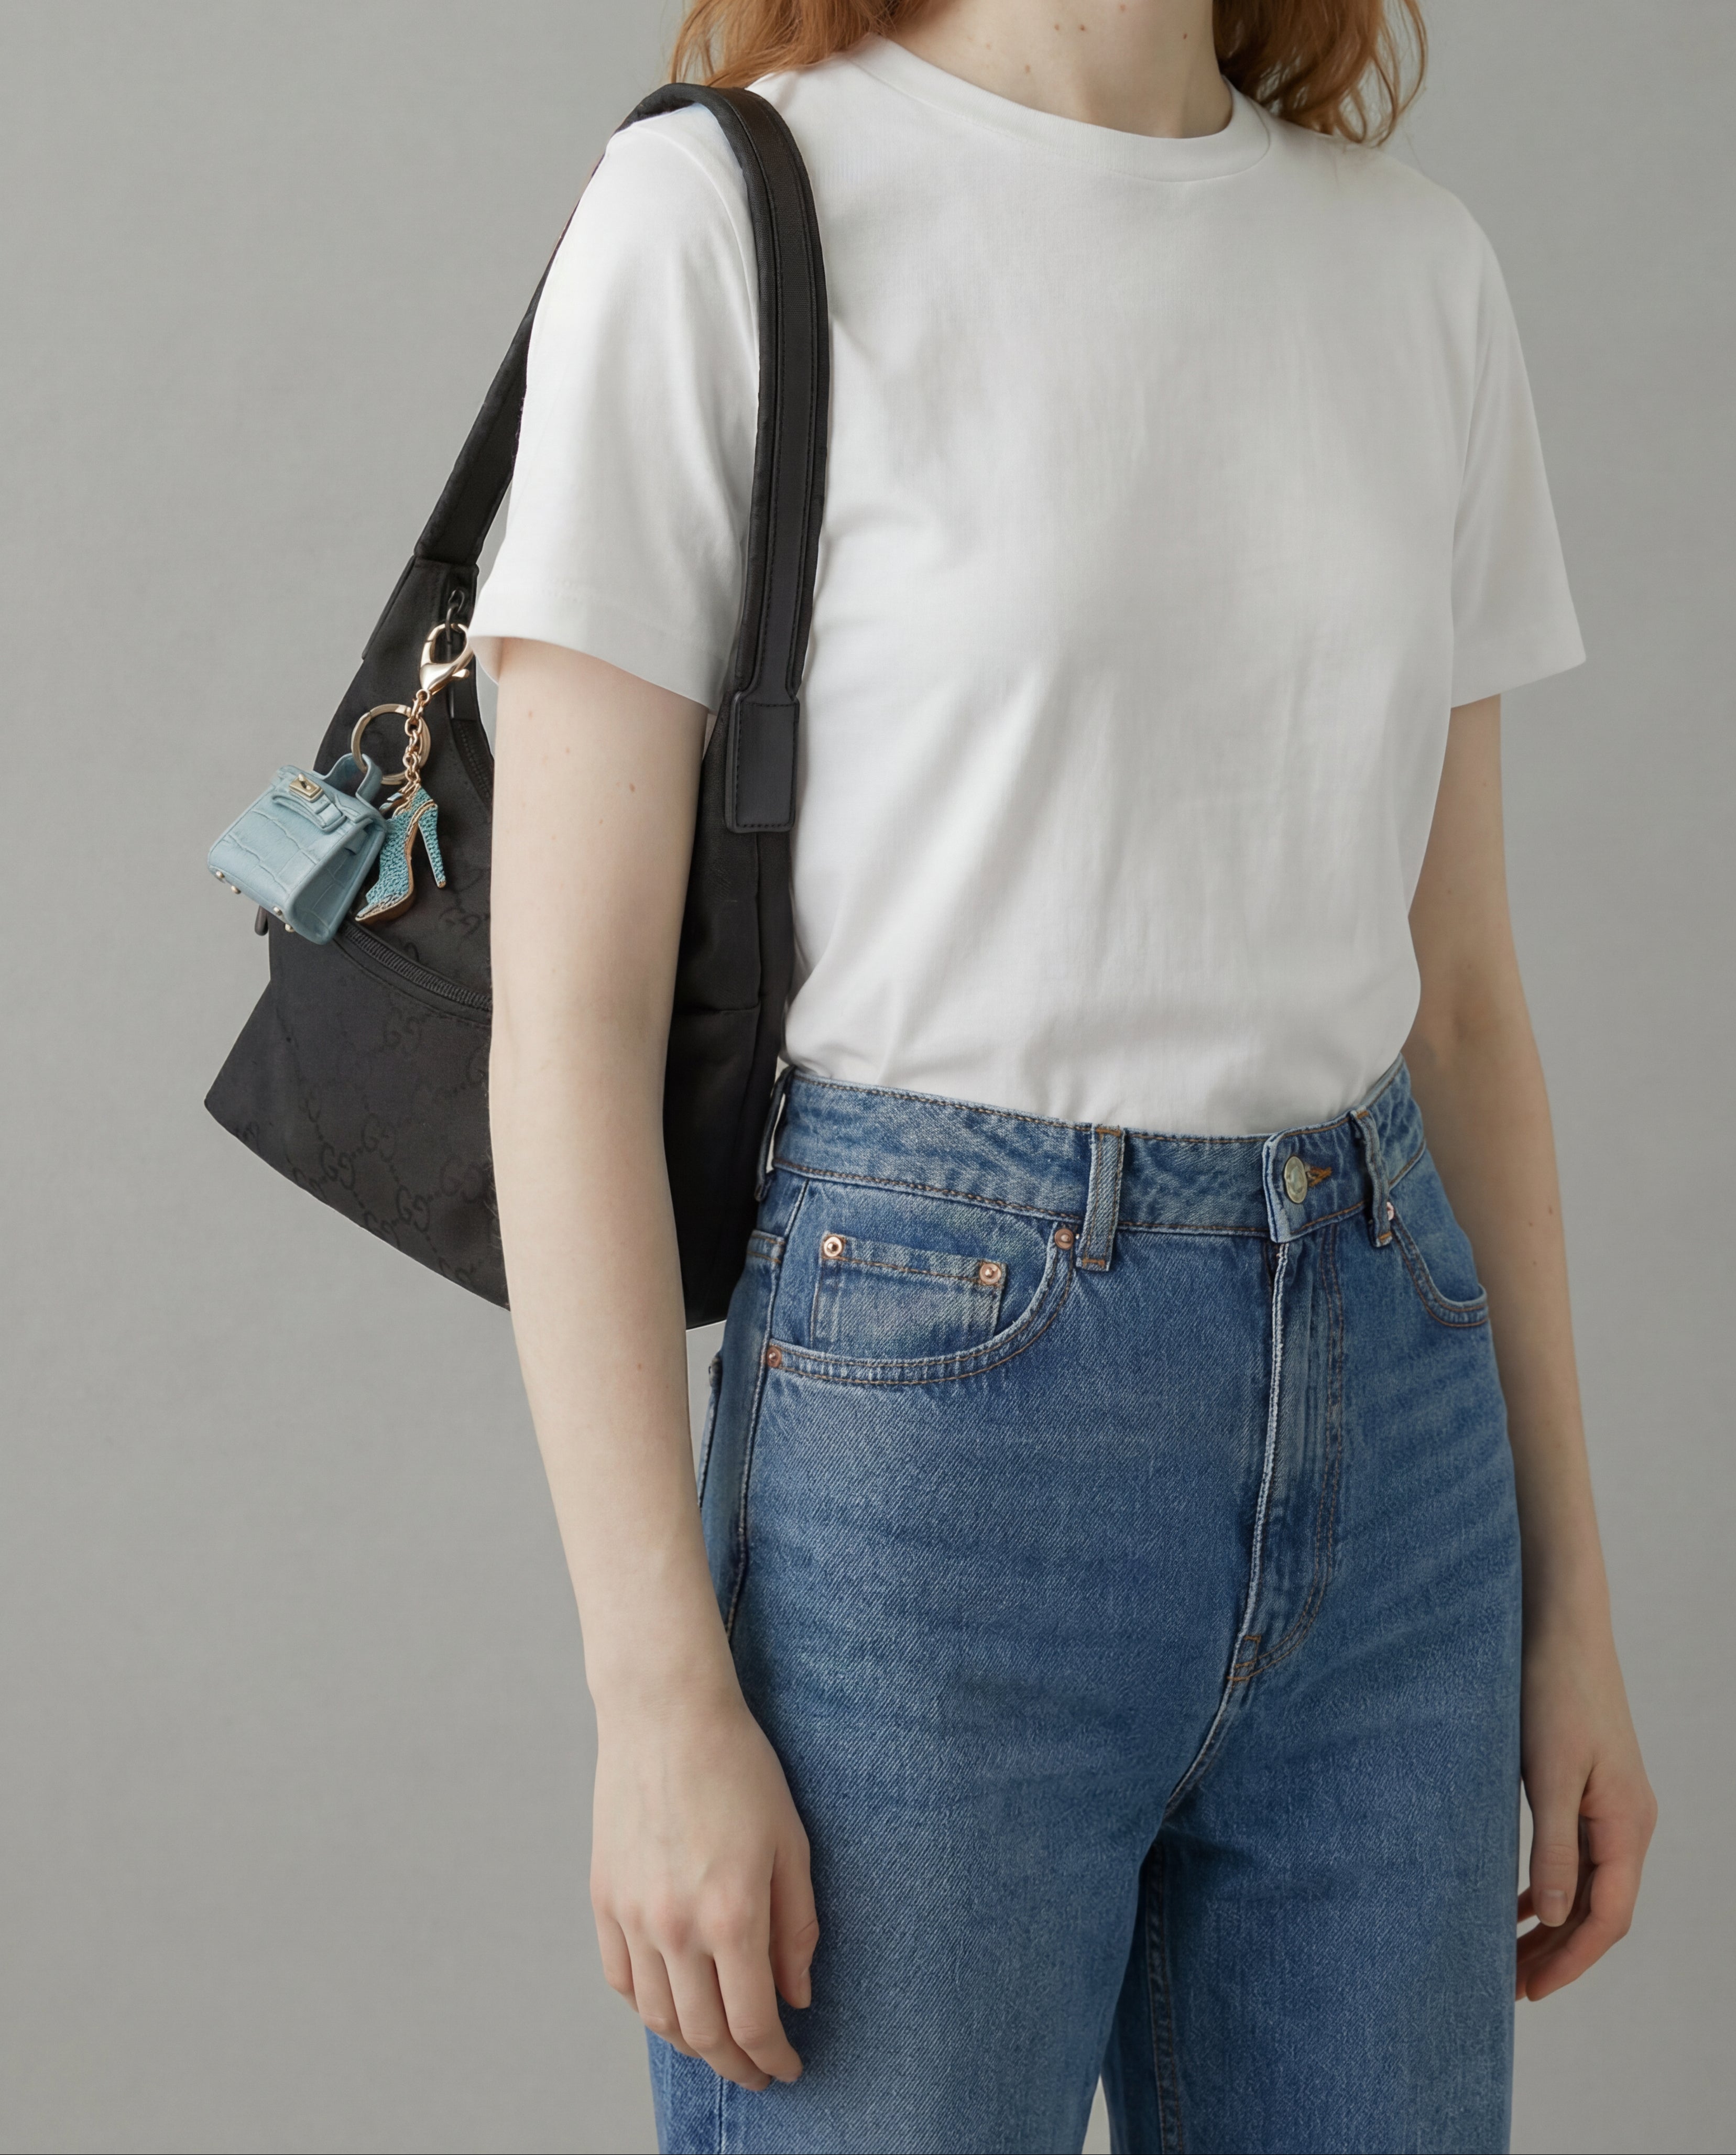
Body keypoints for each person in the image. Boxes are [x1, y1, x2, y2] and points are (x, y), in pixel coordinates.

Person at [471, 2, 1656, 2148]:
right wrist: (653, 1692)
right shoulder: (723, 221)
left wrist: (1571, 1605)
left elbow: (1461, 995)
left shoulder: (1410, 268)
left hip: (1393, 1438)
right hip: (932, 1452)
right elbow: (564, 1024)